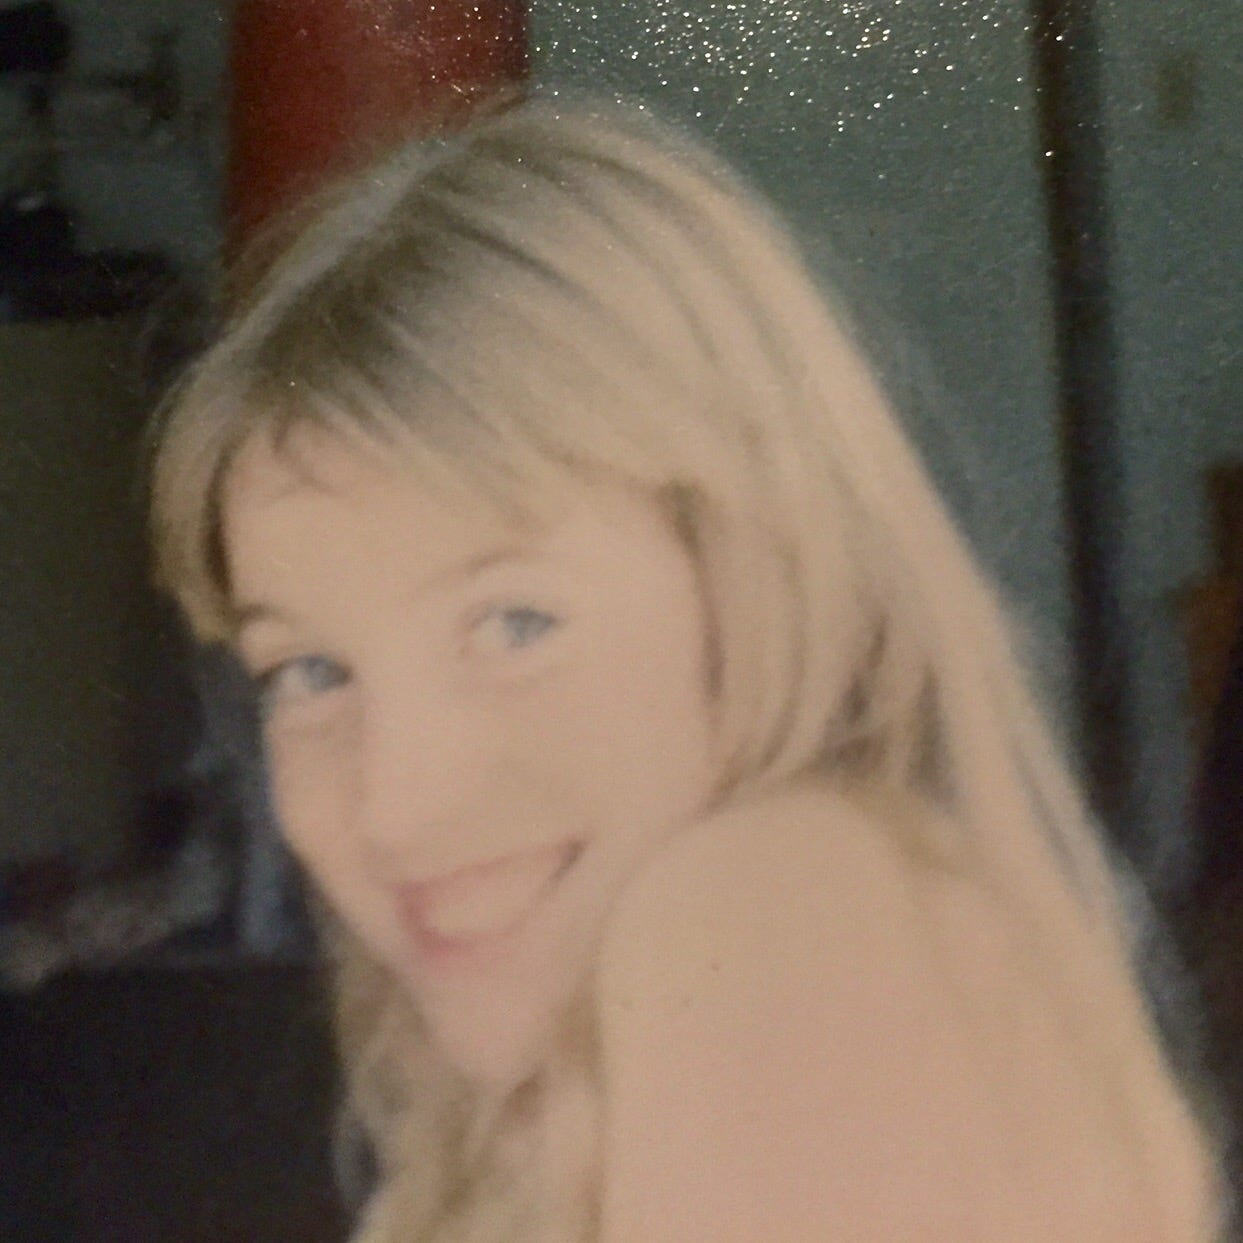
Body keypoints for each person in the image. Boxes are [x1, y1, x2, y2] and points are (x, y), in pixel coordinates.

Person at [147, 100, 1225, 1241]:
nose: (393, 807)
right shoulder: (533, 1070)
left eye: (514, 624)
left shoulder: (774, 905)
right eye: (313, 671)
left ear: (756, 581)